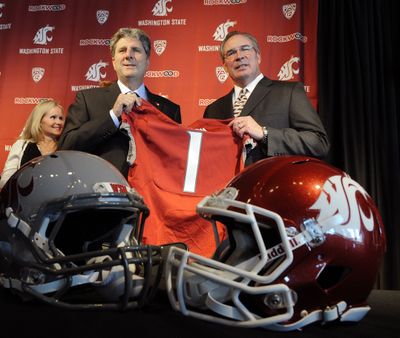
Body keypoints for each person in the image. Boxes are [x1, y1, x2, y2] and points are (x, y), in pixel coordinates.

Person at [58, 27, 181, 177]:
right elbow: (66, 147)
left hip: (150, 198)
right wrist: (113, 116)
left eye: (136, 50)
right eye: (122, 50)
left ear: (148, 61)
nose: (128, 55)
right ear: (114, 62)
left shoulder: (169, 110)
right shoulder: (87, 100)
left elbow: (176, 162)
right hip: (102, 195)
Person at [204, 31, 330, 165]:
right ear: (224, 66)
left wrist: (265, 133)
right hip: (227, 185)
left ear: (258, 56)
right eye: (231, 53)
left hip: (275, 183)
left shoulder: (289, 93)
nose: (239, 56)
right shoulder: (213, 110)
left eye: (245, 49)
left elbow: (318, 143)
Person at [0, 99, 64, 190]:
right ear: (39, 120)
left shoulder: (67, 145)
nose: (59, 122)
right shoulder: (21, 145)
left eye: (61, 118)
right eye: (53, 117)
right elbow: (6, 180)